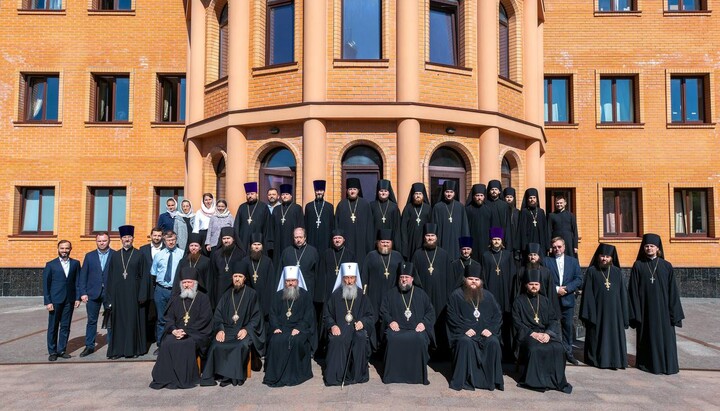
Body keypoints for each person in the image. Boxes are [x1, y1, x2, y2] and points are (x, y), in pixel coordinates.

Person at [628, 233, 684, 375]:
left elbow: (673, 292)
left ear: (657, 248)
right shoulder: (638, 266)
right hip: (645, 310)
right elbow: (633, 290)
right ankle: (648, 365)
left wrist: (674, 313)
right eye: (646, 246)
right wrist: (635, 313)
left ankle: (667, 366)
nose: (649, 249)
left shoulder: (666, 266)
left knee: (665, 338)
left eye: (652, 246)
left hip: (663, 311)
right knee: (647, 337)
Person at [201, 264, 265, 386]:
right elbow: (218, 315)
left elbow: (256, 317)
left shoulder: (252, 294)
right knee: (215, 345)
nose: (237, 279)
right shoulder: (226, 295)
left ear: (244, 279)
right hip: (227, 330)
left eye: (240, 276)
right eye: (235, 276)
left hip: (243, 330)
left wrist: (247, 329)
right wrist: (220, 329)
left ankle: (231, 376)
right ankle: (218, 373)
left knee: (240, 345)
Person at [150, 267, 213, 389]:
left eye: (189, 282)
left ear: (195, 283)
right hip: (177, 332)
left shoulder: (203, 298)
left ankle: (186, 377)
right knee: (167, 343)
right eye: (184, 282)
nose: (186, 285)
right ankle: (166, 377)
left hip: (197, 333)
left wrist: (186, 331)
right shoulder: (176, 298)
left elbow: (205, 319)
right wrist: (174, 330)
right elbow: (169, 318)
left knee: (186, 344)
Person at [512, 270, 572, 394]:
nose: (534, 287)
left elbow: (553, 320)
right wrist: (533, 334)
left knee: (558, 348)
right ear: (525, 285)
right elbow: (516, 322)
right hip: (528, 334)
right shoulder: (519, 301)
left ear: (540, 286)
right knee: (536, 349)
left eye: (536, 284)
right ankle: (535, 382)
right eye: (531, 284)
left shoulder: (545, 301)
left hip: (545, 333)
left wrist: (547, 333)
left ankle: (554, 380)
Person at [446, 264, 503, 391]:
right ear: (465, 279)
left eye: (477, 279)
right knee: (465, 342)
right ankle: (466, 380)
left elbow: (497, 315)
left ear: (481, 281)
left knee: (493, 341)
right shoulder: (456, 295)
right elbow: (451, 317)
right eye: (471, 279)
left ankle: (489, 381)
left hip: (484, 334)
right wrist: (464, 329)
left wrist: (491, 330)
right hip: (465, 334)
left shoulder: (488, 296)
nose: (473, 282)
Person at [380, 262, 436, 385]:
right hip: (397, 329)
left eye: (406, 277)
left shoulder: (421, 294)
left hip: (416, 330)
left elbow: (430, 312)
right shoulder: (391, 293)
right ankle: (392, 376)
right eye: (401, 277)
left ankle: (418, 377)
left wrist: (424, 323)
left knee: (421, 339)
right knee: (391, 338)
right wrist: (390, 321)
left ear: (412, 279)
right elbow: (383, 311)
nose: (404, 280)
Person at [322, 262, 376, 386]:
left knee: (361, 337)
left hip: (356, 330)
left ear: (356, 279)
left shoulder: (362, 295)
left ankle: (358, 375)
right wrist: (333, 326)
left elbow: (370, 316)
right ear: (342, 279)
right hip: (340, 329)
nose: (350, 281)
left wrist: (363, 322)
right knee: (336, 339)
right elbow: (327, 315)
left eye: (352, 278)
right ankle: (336, 376)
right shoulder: (335, 295)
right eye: (347, 278)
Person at [263, 266, 316, 387]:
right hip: (281, 327)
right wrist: (276, 327)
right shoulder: (277, 295)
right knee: (276, 340)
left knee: (296, 341)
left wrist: (299, 328)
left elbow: (308, 315)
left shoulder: (305, 295)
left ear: (297, 281)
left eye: (293, 280)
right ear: (284, 281)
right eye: (288, 281)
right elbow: (273, 313)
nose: (290, 283)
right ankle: (275, 374)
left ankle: (295, 374)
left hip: (299, 329)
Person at [579, 243, 629, 369]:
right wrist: (590, 314)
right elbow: (588, 294)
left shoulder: (617, 272)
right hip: (598, 312)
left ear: (611, 258)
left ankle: (615, 361)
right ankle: (597, 360)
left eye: (607, 256)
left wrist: (624, 312)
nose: (604, 259)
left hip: (614, 312)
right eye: (602, 256)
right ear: (598, 256)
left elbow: (622, 293)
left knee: (614, 335)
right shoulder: (592, 271)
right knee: (598, 335)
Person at [410, 223, 454, 357]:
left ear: (436, 238)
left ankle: (441, 351)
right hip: (423, 295)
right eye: (428, 236)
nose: (430, 238)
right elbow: (414, 275)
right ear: (424, 237)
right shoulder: (417, 254)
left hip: (441, 295)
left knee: (440, 322)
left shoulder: (444, 254)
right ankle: (425, 350)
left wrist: (448, 295)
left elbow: (449, 277)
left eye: (432, 236)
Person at [106, 225, 150, 359]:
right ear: (121, 239)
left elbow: (145, 276)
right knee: (118, 322)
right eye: (124, 237)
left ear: (133, 238)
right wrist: (109, 298)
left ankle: (133, 350)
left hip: (134, 294)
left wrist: (142, 294)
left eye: (129, 237)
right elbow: (110, 277)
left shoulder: (139, 254)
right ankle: (117, 351)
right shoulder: (114, 255)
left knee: (132, 321)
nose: (127, 239)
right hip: (118, 296)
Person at [480, 227, 517, 362]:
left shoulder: (507, 255)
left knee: (505, 323)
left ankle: (506, 353)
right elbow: (483, 275)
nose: (496, 242)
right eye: (494, 239)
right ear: (491, 241)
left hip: (505, 294)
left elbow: (513, 274)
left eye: (498, 239)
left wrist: (511, 293)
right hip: (490, 294)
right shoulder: (485, 255)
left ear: (501, 241)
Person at [544, 237, 582, 365]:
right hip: (552, 300)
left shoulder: (573, 261)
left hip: (568, 299)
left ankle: (568, 353)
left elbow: (578, 279)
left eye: (559, 246)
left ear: (564, 247)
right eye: (554, 247)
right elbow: (544, 278)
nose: (557, 249)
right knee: (551, 327)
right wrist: (556, 289)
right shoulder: (546, 261)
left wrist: (567, 288)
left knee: (567, 327)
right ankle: (552, 353)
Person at [78, 232, 114, 357]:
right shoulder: (89, 256)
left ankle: (112, 346)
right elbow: (83, 275)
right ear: (96, 241)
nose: (102, 243)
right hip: (93, 293)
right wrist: (82, 293)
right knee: (91, 320)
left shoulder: (115, 255)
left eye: (104, 240)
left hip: (109, 294)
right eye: (99, 241)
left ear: (109, 241)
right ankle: (89, 346)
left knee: (110, 320)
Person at [43, 240, 80, 361]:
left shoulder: (75, 263)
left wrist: (77, 298)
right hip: (55, 300)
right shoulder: (51, 264)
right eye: (62, 248)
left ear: (70, 249)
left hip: (69, 300)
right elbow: (46, 284)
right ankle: (52, 351)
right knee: (53, 326)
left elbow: (77, 282)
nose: (64, 251)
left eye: (67, 248)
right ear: (58, 249)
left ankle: (62, 349)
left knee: (65, 326)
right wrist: (48, 301)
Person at [150, 230, 185, 355]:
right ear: (164, 241)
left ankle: (176, 344)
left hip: (176, 291)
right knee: (161, 318)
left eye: (173, 240)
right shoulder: (158, 255)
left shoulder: (182, 254)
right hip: (161, 290)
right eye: (168, 240)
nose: (171, 242)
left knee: (177, 318)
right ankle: (161, 344)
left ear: (176, 240)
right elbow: (153, 273)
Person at [335, 178, 374, 266]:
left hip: (362, 243)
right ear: (347, 191)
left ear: (358, 191)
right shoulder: (341, 205)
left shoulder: (365, 204)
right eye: (350, 189)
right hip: (346, 243)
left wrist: (369, 245)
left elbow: (370, 226)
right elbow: (336, 225)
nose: (352, 191)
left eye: (354, 189)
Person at [240, 233, 276, 321]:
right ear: (250, 246)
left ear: (262, 246)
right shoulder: (245, 261)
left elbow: (271, 282)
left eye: (259, 244)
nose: (256, 247)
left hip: (264, 297)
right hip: (248, 297)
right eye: (254, 244)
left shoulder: (268, 261)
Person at [139, 227, 164, 346]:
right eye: (155, 235)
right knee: (148, 313)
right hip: (147, 285)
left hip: (161, 286)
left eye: (159, 236)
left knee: (159, 314)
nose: (157, 238)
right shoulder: (143, 250)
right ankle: (148, 338)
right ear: (151, 236)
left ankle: (159, 337)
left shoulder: (166, 249)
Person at [209, 227, 246, 308]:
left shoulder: (240, 254)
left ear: (233, 239)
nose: (226, 241)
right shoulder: (216, 254)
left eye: (228, 238)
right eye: (224, 238)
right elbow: (213, 273)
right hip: (219, 287)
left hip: (234, 287)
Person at [431, 180, 469, 259]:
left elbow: (464, 227)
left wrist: (465, 246)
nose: (449, 194)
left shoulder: (460, 207)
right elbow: (434, 228)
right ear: (443, 193)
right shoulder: (437, 207)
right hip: (442, 242)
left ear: (454, 193)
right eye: (447, 192)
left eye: (451, 192)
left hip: (457, 243)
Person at [269, 184, 304, 266]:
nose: (284, 196)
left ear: (291, 196)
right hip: (278, 243)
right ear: (280, 196)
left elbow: (301, 226)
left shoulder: (297, 208)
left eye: (287, 194)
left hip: (292, 242)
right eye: (283, 194)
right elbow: (271, 227)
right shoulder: (276, 209)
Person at [318, 229, 356, 303]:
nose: (337, 240)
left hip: (344, 287)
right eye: (335, 238)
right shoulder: (326, 254)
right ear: (332, 240)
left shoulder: (350, 254)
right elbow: (321, 274)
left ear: (344, 239)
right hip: (329, 288)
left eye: (339, 238)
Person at [234, 182, 271, 253]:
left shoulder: (263, 207)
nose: (250, 196)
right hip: (243, 240)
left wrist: (265, 242)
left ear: (256, 194)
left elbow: (267, 226)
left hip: (258, 241)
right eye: (248, 194)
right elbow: (237, 224)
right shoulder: (242, 207)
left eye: (252, 194)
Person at [400, 182, 432, 260]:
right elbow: (403, 227)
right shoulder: (408, 208)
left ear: (423, 195)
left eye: (420, 194)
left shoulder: (428, 208)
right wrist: (405, 244)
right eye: (416, 194)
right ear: (413, 195)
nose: (418, 196)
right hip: (410, 240)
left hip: (424, 240)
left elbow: (431, 225)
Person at [304, 180, 335, 252]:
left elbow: (332, 224)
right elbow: (305, 224)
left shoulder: (329, 206)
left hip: (325, 237)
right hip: (311, 236)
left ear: (324, 191)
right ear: (314, 191)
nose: (319, 192)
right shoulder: (309, 206)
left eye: (321, 190)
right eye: (317, 190)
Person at [370, 179, 401, 251]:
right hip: (375, 240)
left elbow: (397, 227)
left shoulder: (394, 207)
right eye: (381, 191)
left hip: (390, 242)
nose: (383, 193)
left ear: (389, 193)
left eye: (385, 191)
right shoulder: (372, 206)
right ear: (378, 192)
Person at [517, 188, 549, 255]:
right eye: (530, 198)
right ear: (527, 199)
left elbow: (545, 229)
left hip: (540, 242)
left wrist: (547, 246)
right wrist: (522, 246)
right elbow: (521, 229)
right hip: (527, 242)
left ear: (537, 199)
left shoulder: (541, 212)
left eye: (534, 197)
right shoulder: (524, 212)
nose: (532, 200)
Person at [465, 184, 491, 259]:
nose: (479, 198)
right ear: (473, 196)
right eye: (477, 195)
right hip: (472, 242)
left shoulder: (488, 210)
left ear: (484, 196)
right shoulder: (467, 209)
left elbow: (492, 225)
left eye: (481, 195)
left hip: (485, 242)